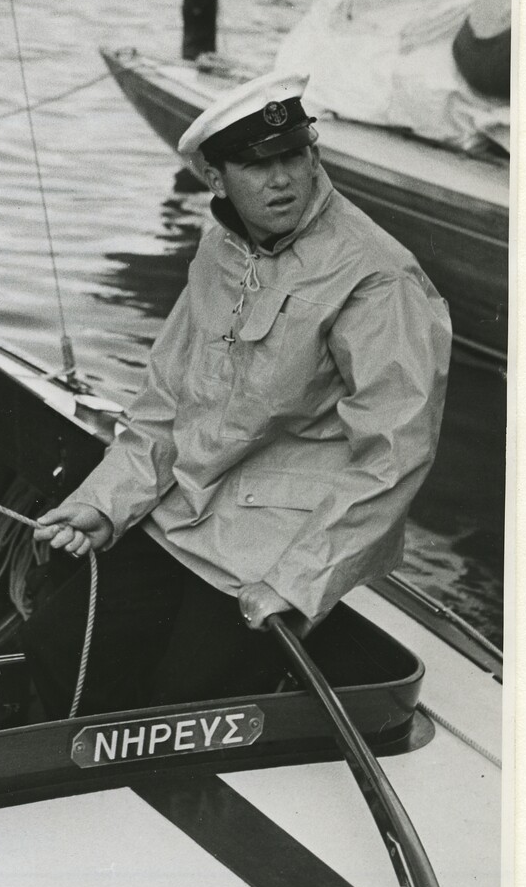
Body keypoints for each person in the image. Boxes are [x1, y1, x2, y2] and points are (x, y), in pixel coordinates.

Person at [22, 73, 452, 719]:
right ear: (215, 178)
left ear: (312, 157)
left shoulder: (376, 277)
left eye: (291, 158)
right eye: (256, 166)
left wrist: (297, 583)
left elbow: (393, 455)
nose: (280, 180)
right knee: (56, 644)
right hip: (182, 515)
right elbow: (165, 404)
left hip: (282, 542)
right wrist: (103, 506)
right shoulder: (219, 246)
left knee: (185, 703)